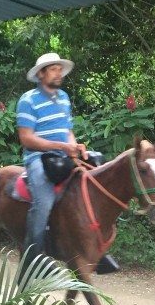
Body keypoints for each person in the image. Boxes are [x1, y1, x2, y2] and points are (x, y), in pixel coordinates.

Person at [16, 52, 118, 278]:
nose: (58, 73)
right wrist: (62, 147)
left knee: (99, 179)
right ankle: (32, 260)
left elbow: (67, 131)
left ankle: (97, 251)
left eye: (59, 69)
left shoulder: (63, 97)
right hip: (39, 160)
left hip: (64, 155)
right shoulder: (28, 100)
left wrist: (75, 147)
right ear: (41, 74)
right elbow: (26, 138)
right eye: (53, 69)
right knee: (42, 205)